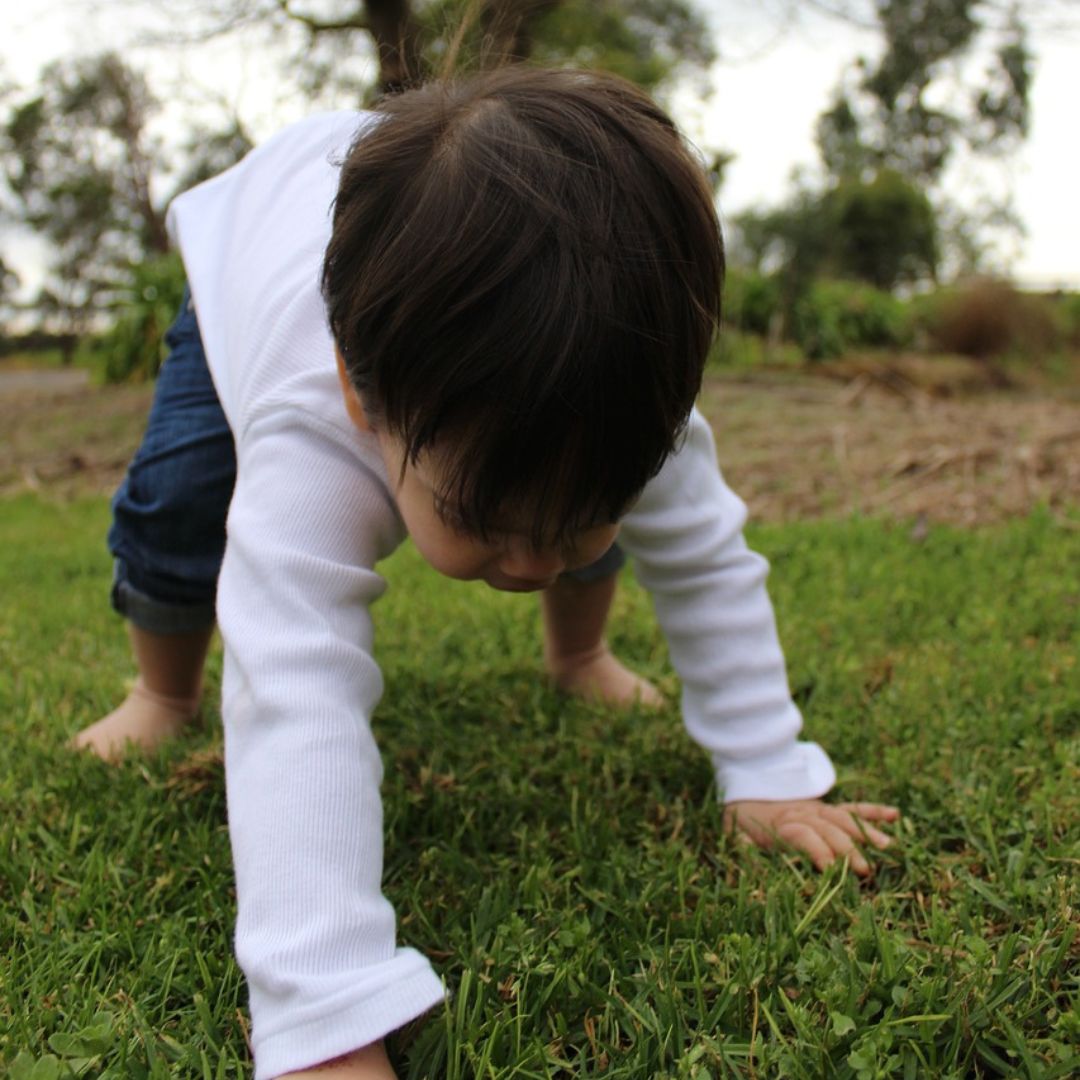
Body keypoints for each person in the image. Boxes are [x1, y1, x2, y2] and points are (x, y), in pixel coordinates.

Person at [71, 67, 898, 1080]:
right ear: (364, 401)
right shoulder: (310, 424)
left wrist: (768, 769)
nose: (535, 561)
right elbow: (296, 691)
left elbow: (707, 562)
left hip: (420, 301)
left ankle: (578, 652)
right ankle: (160, 689)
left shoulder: (638, 411)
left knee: (572, 504)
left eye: (586, 512)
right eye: (485, 517)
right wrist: (322, 1018)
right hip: (241, 283)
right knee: (179, 504)